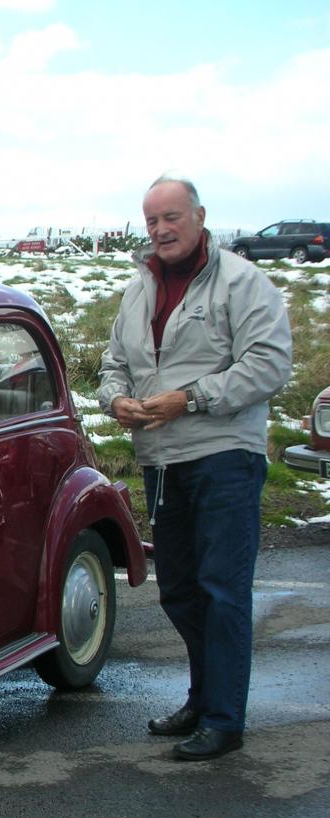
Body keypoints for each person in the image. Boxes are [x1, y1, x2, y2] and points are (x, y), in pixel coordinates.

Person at [98, 175, 293, 761]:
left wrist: (193, 397)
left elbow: (270, 364)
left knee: (222, 590)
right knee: (179, 590)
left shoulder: (241, 281)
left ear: (200, 216)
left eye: (171, 218)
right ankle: (203, 698)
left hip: (224, 456)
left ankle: (224, 720)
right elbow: (113, 363)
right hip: (161, 462)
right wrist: (116, 401)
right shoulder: (139, 290)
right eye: (152, 220)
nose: (160, 230)